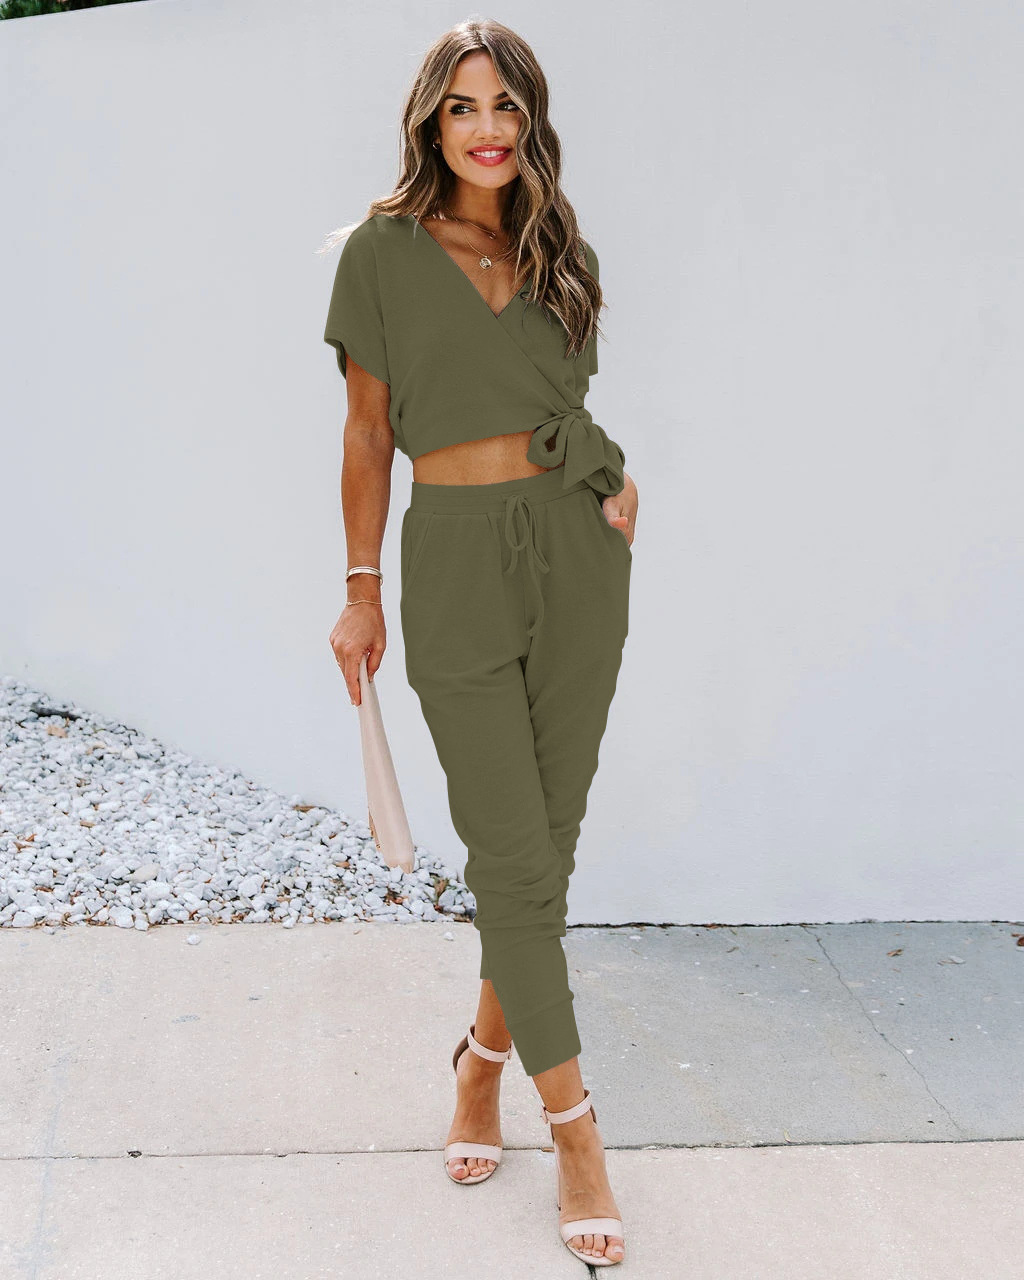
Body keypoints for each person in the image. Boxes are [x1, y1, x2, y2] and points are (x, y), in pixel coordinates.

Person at [322, 19, 637, 1268]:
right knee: (509, 850)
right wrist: (361, 588)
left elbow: (570, 404)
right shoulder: (380, 252)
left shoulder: (562, 251)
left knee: (540, 854)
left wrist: (614, 484)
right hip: (451, 558)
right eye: (462, 106)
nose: (487, 128)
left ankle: (483, 1061)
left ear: (531, 120)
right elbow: (366, 434)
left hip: (577, 551)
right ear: (430, 122)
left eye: (505, 105)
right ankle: (575, 1131)